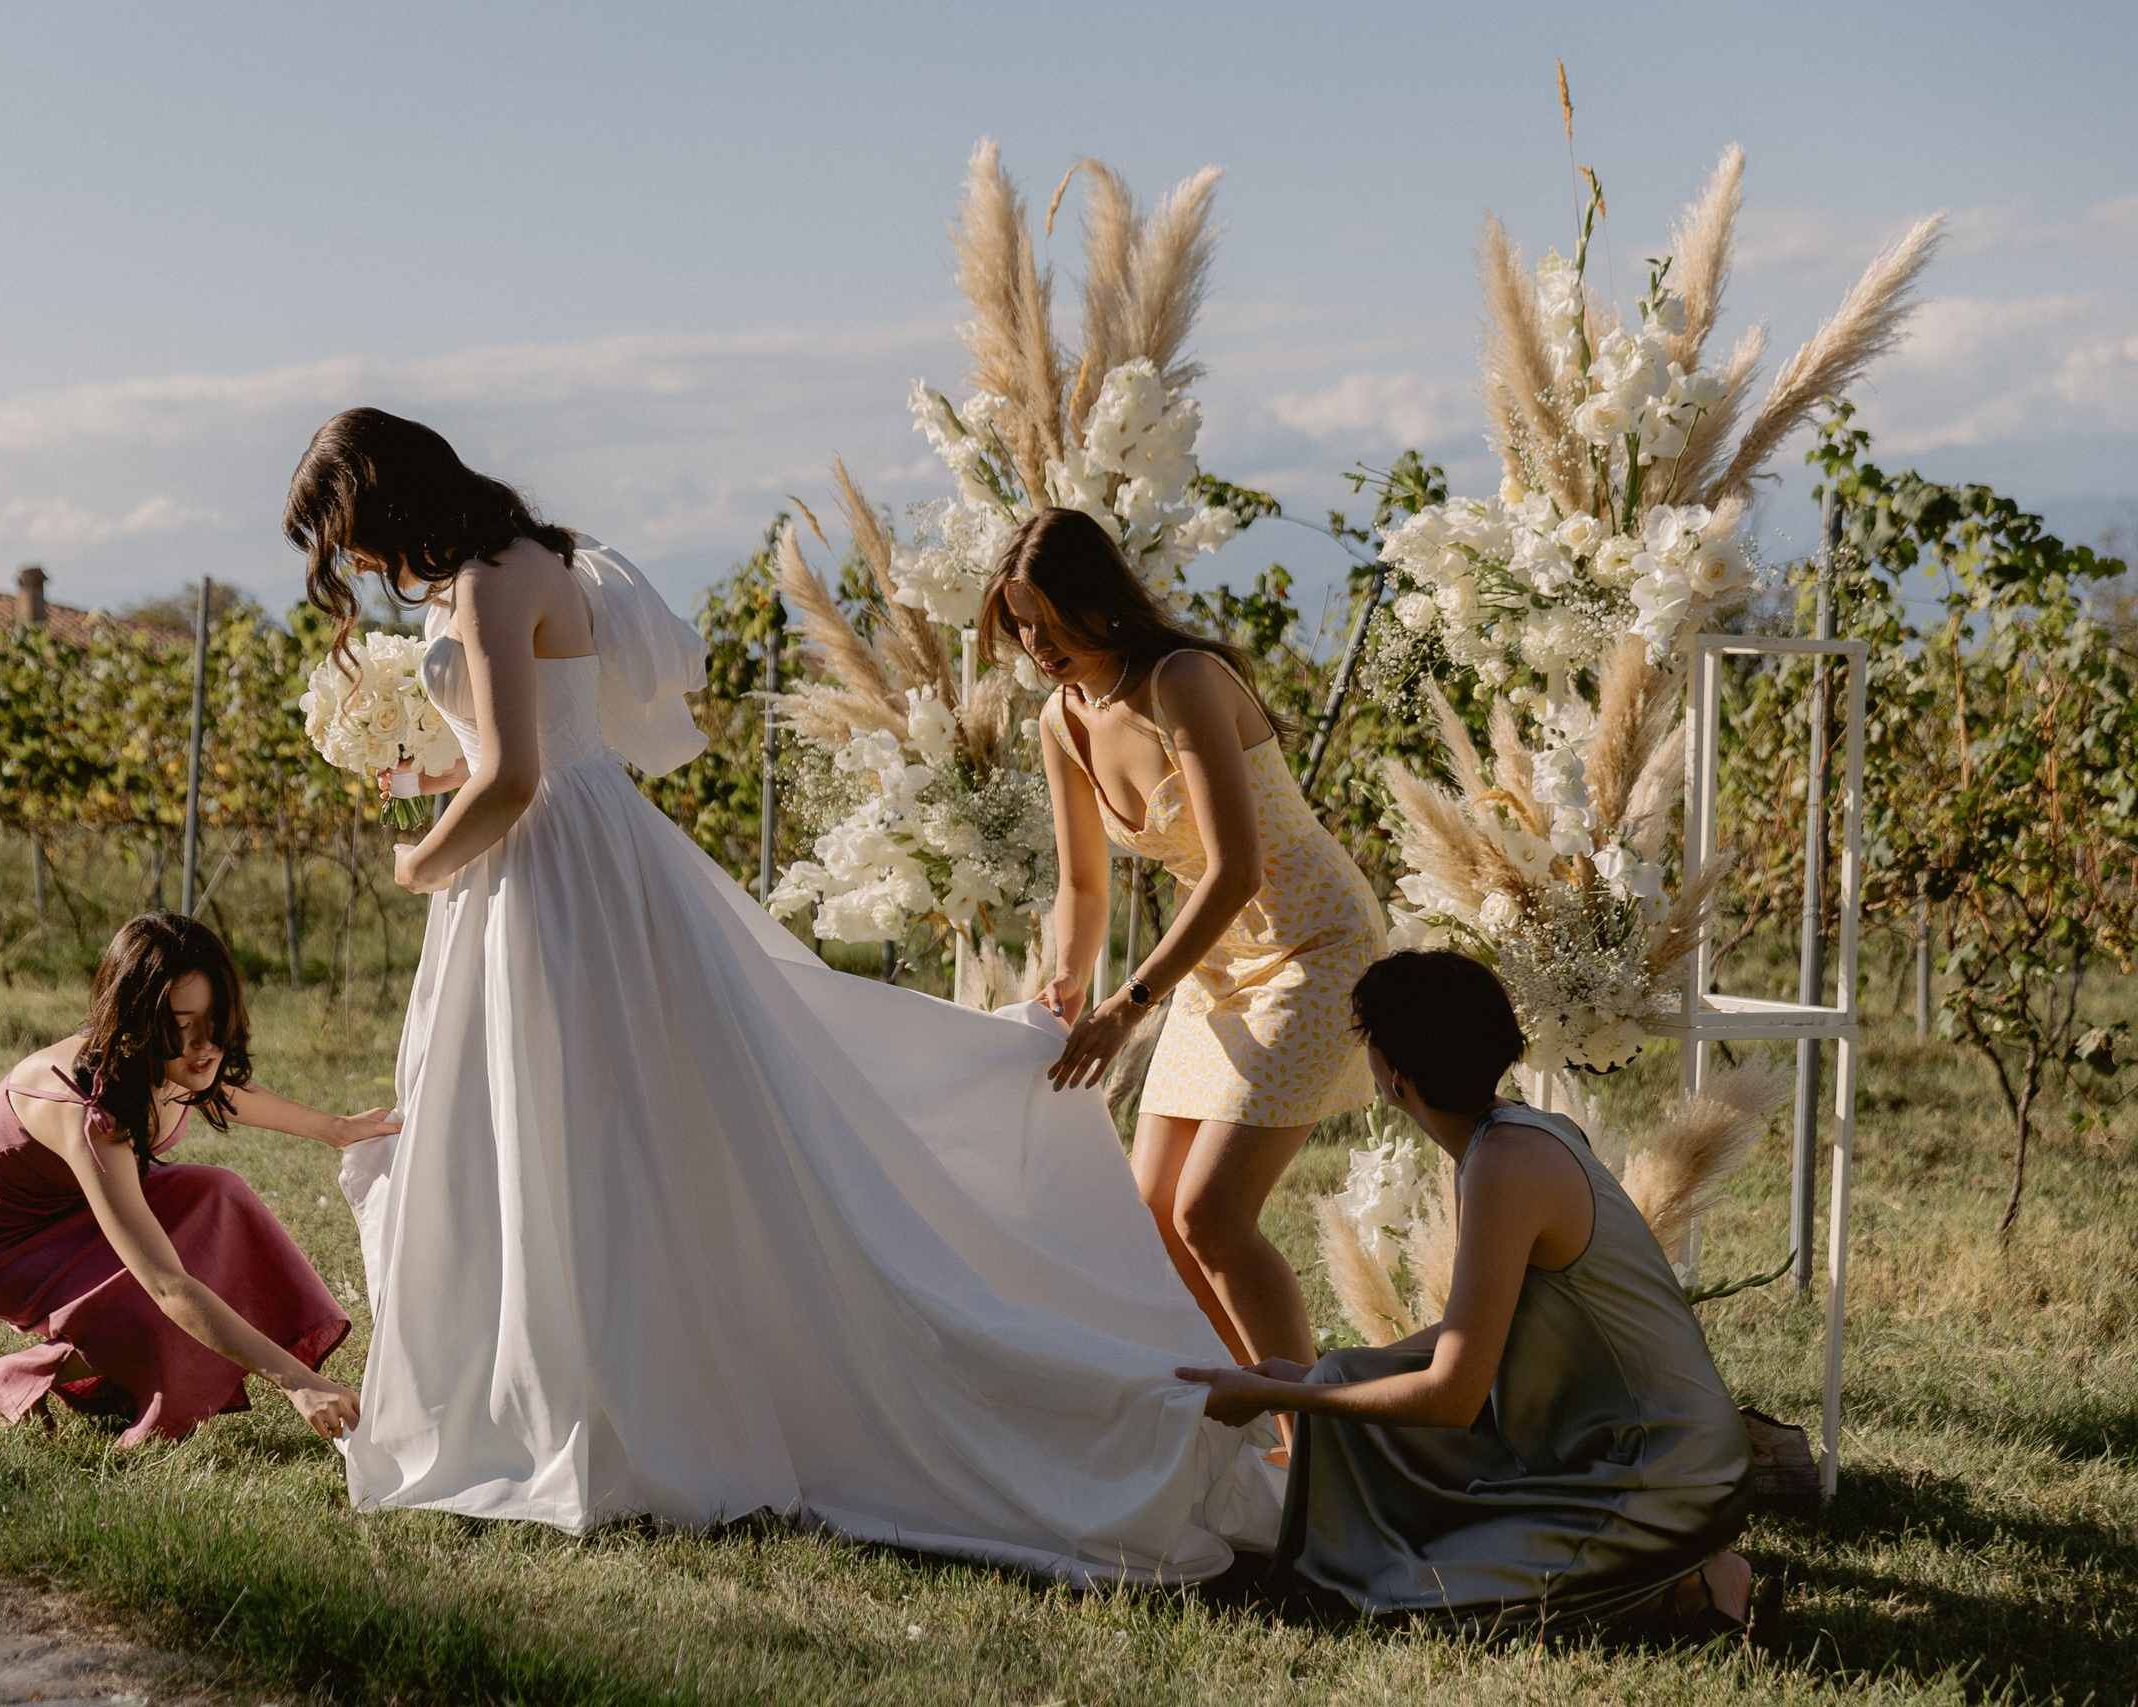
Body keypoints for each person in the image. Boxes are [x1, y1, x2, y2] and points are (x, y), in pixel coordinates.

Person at [288, 407, 1282, 1584]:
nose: (351, 562)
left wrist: (417, 858)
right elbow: (531, 740)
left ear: (390, 498)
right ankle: (570, 1386)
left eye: (348, 533)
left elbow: (512, 779)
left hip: (548, 868)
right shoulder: (519, 561)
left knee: (576, 1125)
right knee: (569, 1125)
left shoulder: (498, 574)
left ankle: (598, 1407)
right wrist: (439, 767)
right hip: (570, 856)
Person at [1180, 949, 1756, 1630]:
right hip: (1593, 1447)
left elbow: (1454, 1394)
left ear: (1395, 1076)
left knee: (1402, 1593)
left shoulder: (1504, 1165)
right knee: (1343, 1372)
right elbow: (1471, 1332)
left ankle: (1694, 1583)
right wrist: (1311, 1380)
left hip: (1658, 1472)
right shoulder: (1502, 1140)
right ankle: (1642, 1570)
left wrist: (1273, 1395)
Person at [994, 508, 1384, 1369]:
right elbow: (1083, 883)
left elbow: (1236, 868)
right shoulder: (1062, 719)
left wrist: (1128, 1003)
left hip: (1314, 947)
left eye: (1051, 618)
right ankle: (1258, 1423)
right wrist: (1067, 978)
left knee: (1209, 1211)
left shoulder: (1184, 679)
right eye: (1021, 622)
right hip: (1215, 964)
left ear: (1097, 601)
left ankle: (1311, 1439)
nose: (1037, 642)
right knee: (1153, 1216)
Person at [0, 912, 399, 1446]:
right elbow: (167, 1285)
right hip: (9, 1248)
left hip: (85, 1206)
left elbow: (218, 1090)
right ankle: (19, 1377)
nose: (204, 1045)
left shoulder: (165, 1062)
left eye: (215, 1021)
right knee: (167, 1294)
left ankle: (58, 1363)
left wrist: (336, 1129)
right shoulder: (89, 1109)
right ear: (137, 1023)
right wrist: (297, 1381)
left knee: (218, 1195)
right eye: (181, 1026)